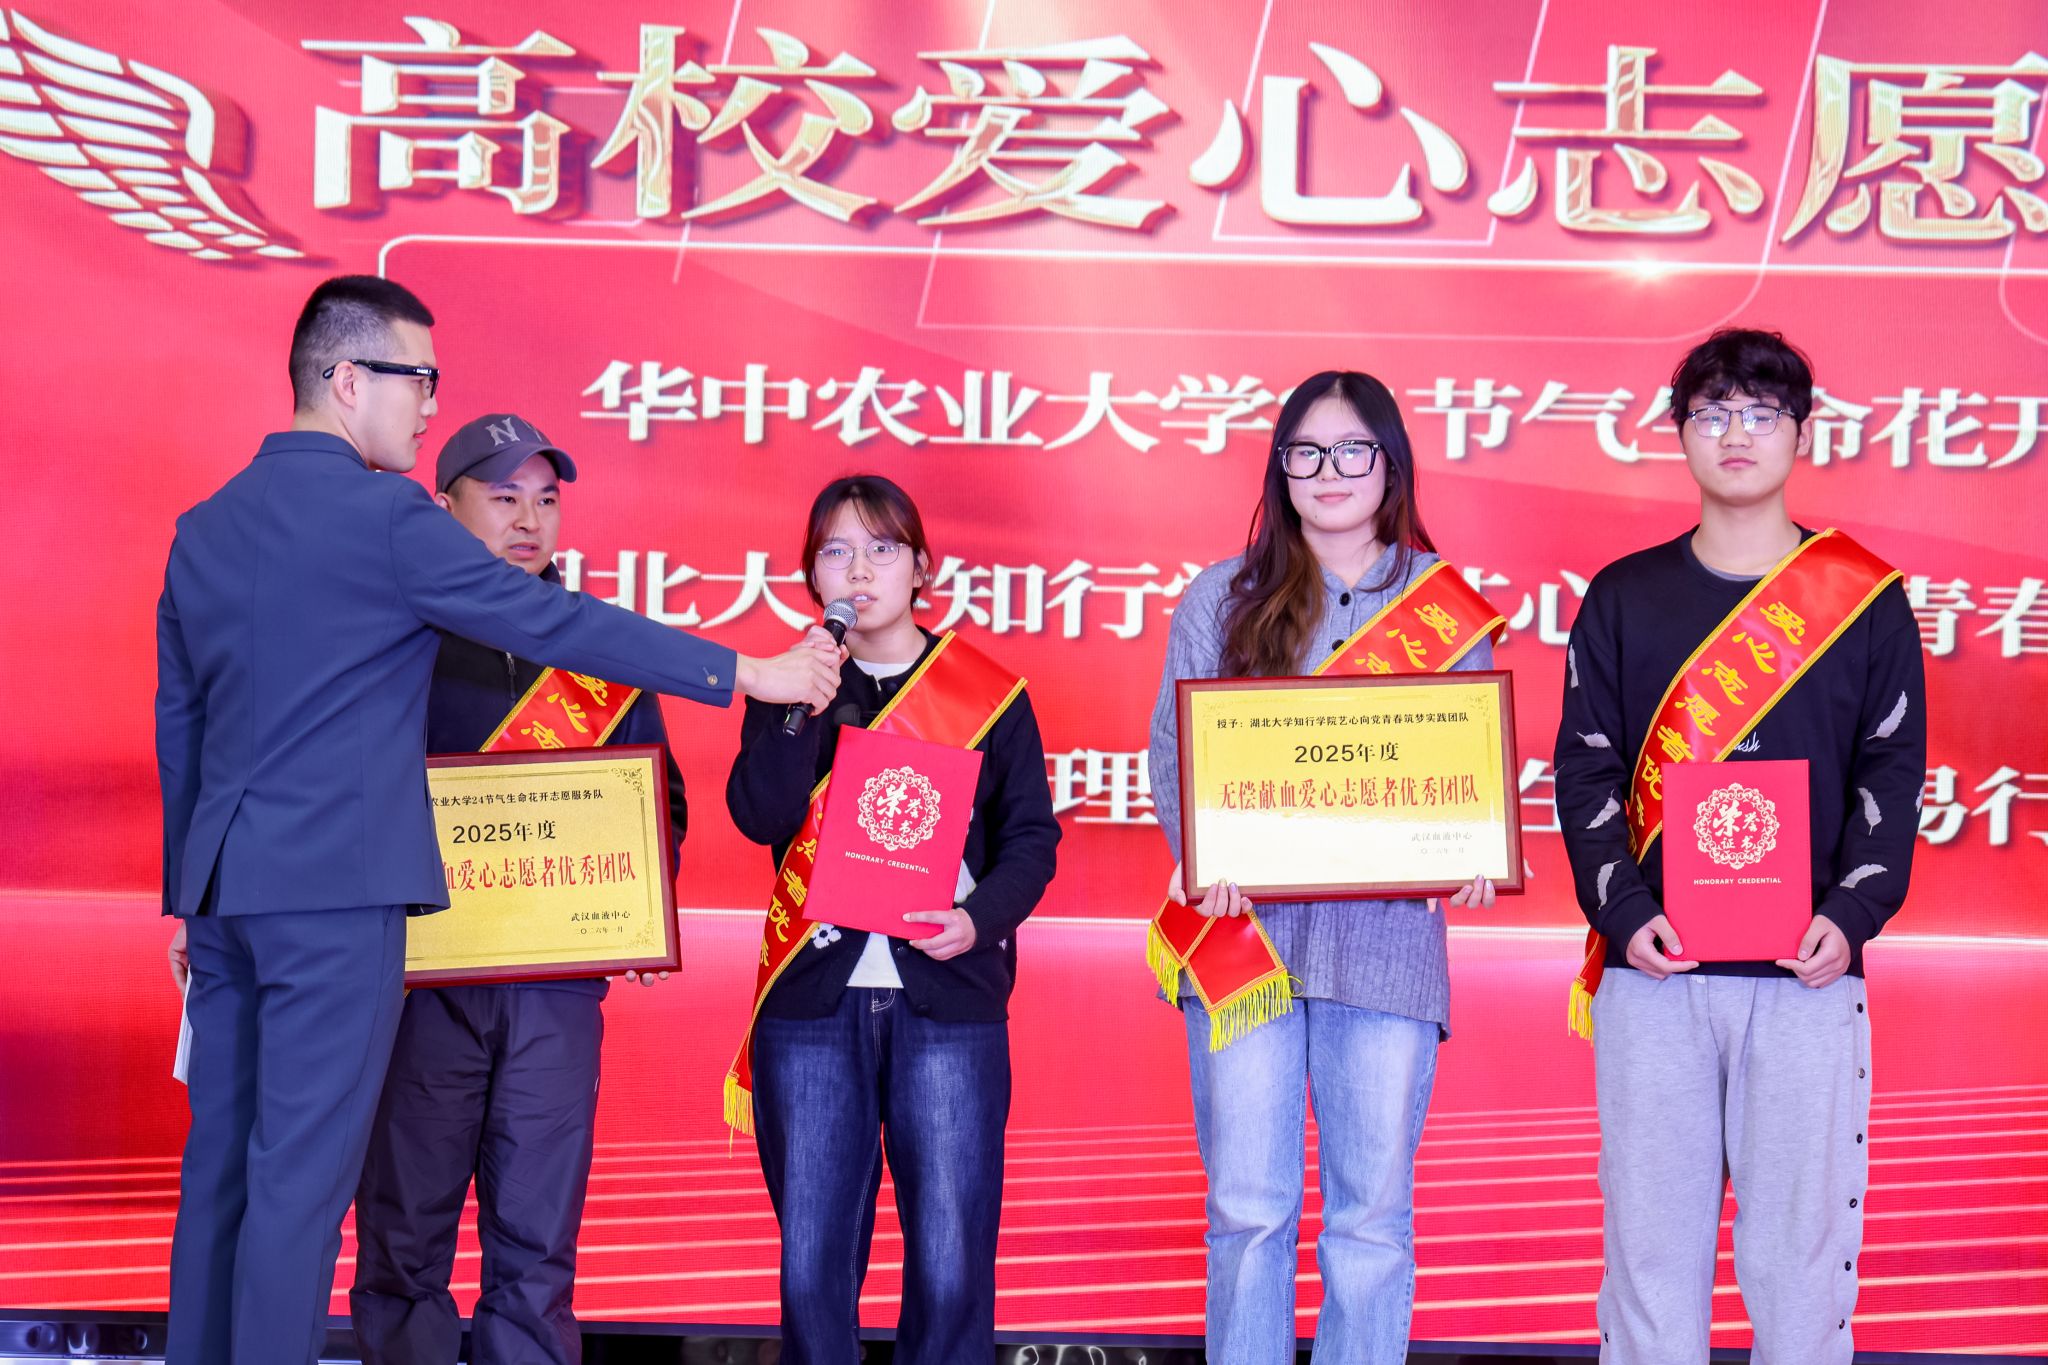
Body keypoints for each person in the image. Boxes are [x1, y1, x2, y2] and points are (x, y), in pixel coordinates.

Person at [156, 275, 840, 1365]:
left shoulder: (203, 527)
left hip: (226, 898)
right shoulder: (387, 516)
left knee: (222, 1177)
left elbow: (183, 727)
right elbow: (551, 620)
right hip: (338, 901)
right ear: (347, 379)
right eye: (418, 378)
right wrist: (748, 672)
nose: (431, 405)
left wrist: (186, 902)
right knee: (298, 1185)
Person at [1555, 329, 1925, 1365]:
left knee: (1798, 1267)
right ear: (1678, 434)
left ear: (1801, 434)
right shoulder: (1623, 596)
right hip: (1653, 975)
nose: (1736, 433)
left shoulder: (1862, 599)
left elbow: (1890, 774)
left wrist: (1849, 916)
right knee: (1648, 1264)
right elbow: (1584, 771)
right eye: (1712, 412)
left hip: (1806, 976)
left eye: (1761, 413)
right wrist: (1624, 915)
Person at [1146, 370, 1500, 1365]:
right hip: (1242, 942)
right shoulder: (1221, 595)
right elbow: (1173, 752)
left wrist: (1467, 849)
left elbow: (1461, 764)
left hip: (1384, 950)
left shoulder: (1439, 604)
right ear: (1280, 467)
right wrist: (1202, 857)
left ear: (1389, 464)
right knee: (1248, 1210)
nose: (1328, 470)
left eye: (1352, 449)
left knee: (1370, 1219)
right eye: (1305, 451)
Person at [346, 413, 687, 1364]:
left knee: (539, 1243)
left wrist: (644, 902)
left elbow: (659, 796)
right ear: (443, 508)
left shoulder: (597, 645)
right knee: (404, 1232)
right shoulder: (395, 640)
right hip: (423, 984)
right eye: (503, 498)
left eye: (545, 499)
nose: (529, 520)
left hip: (555, 990)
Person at [722, 474, 1060, 1365]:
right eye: (836, 551)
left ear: (920, 566)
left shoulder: (987, 693)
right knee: (812, 1269)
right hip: (813, 1002)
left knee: (950, 1265)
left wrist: (977, 920)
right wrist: (799, 702)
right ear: (811, 574)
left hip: (947, 995)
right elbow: (759, 815)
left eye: (881, 548)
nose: (859, 570)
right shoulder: (788, 684)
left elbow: (1032, 839)